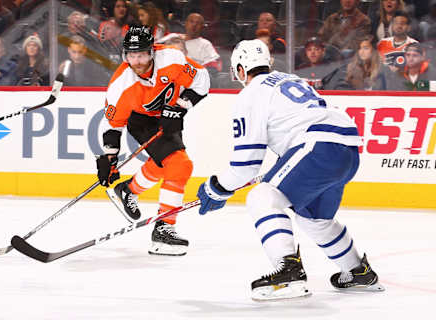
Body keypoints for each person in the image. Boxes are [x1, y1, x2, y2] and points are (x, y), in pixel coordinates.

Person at [196, 39, 385, 301]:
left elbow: (246, 166)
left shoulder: (250, 94)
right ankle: (357, 271)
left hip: (317, 146)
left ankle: (289, 273)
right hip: (347, 147)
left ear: (240, 70)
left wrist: (215, 188)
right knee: (313, 218)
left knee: (262, 197)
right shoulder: (289, 79)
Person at [97, 26, 209, 256]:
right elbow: (112, 126)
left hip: (169, 113)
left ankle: (128, 191)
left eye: (142, 54)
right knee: (180, 165)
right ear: (125, 55)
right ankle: (164, 229)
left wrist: (179, 107)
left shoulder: (172, 59)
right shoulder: (121, 86)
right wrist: (109, 159)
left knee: (163, 163)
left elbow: (202, 80)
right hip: (142, 121)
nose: (137, 61)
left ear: (152, 52)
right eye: (132, 55)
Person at [326, 35, 392, 90]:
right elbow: (340, 88)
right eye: (360, 48)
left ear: (374, 51)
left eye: (366, 48)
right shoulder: (349, 68)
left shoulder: (383, 70)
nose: (362, 52)